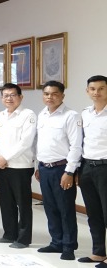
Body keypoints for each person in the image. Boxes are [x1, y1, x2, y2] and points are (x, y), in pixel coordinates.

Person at [35, 80, 82, 261]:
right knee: (50, 208)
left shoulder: (71, 116)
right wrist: (38, 165)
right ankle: (56, 242)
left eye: (54, 94)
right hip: (45, 168)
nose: (50, 97)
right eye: (47, 94)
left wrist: (69, 172)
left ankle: (69, 246)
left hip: (62, 168)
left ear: (62, 95)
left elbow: (76, 146)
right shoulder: (42, 115)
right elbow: (41, 142)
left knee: (65, 208)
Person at [0, 83, 36, 249]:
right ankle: (9, 233)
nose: (9, 98)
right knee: (6, 202)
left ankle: (24, 238)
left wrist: (6, 158)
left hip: (20, 166)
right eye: (5, 95)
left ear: (21, 97)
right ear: (1, 98)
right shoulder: (0, 116)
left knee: (23, 203)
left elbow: (26, 142)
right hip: (2, 166)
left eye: (12, 95)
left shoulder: (28, 115)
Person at [78, 75, 107, 266]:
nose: (96, 92)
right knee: (93, 213)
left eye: (101, 88)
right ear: (87, 91)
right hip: (87, 166)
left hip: (106, 167)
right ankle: (98, 252)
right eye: (93, 89)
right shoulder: (85, 113)